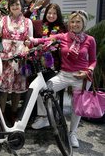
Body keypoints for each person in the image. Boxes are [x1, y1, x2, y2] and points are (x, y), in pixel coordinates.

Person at [30, 10, 97, 148]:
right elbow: (46, 40)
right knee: (43, 89)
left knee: (76, 107)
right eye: (72, 21)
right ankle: (45, 118)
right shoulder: (63, 36)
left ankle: (72, 133)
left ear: (83, 23)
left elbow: (93, 60)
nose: (74, 24)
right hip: (64, 74)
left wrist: (88, 71)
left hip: (82, 76)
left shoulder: (90, 40)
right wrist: (32, 40)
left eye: (78, 22)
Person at [0, 0, 33, 124]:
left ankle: (13, 114)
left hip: (20, 59)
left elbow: (29, 41)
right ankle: (1, 116)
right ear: (9, 7)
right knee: (3, 90)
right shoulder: (3, 20)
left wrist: (26, 49)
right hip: (5, 60)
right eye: (12, 4)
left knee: (17, 89)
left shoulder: (28, 21)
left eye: (17, 4)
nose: (15, 7)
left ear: (21, 6)